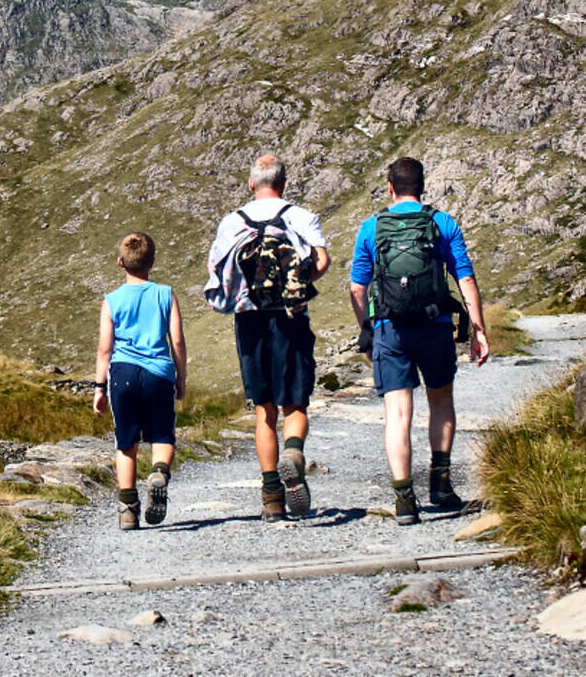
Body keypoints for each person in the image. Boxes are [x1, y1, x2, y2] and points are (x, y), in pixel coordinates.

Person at [348, 156, 490, 526]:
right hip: (435, 325)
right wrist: (478, 329)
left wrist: (367, 327)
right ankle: (441, 485)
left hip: (390, 329)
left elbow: (357, 287)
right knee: (441, 399)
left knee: (397, 413)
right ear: (422, 186)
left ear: (390, 187)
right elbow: (465, 278)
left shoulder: (371, 227)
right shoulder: (442, 223)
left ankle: (404, 499)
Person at [206, 154, 330, 521]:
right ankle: (293, 453)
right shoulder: (300, 217)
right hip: (291, 318)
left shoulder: (232, 222)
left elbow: (219, 271)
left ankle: (271, 497)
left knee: (264, 410)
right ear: (284, 183)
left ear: (251, 184)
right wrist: (299, 282)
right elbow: (321, 260)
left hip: (250, 320)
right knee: (295, 404)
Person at [93, 231, 187, 530]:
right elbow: (178, 341)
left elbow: (104, 349)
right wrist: (180, 377)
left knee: (126, 442)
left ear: (120, 263)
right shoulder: (165, 294)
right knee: (162, 436)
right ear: (153, 262)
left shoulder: (111, 301)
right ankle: (159, 471)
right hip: (159, 373)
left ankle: (128, 509)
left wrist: (99, 388)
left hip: (123, 374)